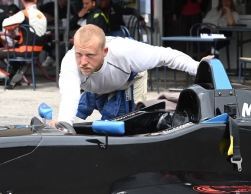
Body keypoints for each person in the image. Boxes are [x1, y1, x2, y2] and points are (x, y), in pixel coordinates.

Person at [49, 24, 214, 127]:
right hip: (101, 85)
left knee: (133, 124)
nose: (83, 62)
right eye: (79, 54)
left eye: (90, 55)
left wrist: (196, 66)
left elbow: (165, 55)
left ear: (104, 52)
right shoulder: (70, 61)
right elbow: (69, 96)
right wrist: (64, 124)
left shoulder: (125, 51)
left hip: (131, 80)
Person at [0, 0, 47, 89]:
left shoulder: (24, 13)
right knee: (12, 49)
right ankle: (15, 76)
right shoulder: (42, 16)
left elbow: (5, 24)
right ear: (35, 1)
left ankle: (13, 73)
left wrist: (15, 25)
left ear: (22, 1)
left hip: (24, 50)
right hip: (37, 51)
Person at [39, 0, 76, 67]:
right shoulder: (51, 5)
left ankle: (54, 57)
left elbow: (74, 17)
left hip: (62, 30)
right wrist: (47, 16)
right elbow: (38, 9)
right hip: (49, 29)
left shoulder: (69, 7)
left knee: (67, 39)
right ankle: (52, 56)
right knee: (42, 40)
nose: (65, 1)